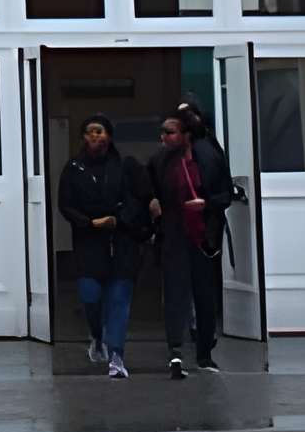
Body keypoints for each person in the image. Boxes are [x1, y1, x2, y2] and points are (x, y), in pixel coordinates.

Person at [56, 112, 149, 378]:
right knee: (91, 296)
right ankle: (97, 336)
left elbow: (138, 199)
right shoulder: (74, 168)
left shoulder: (124, 166)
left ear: (109, 136)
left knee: (119, 299)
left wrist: (119, 220)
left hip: (122, 240)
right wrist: (88, 223)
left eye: (100, 131)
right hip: (89, 242)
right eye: (90, 132)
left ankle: (117, 355)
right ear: (83, 137)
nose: (96, 136)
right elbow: (65, 204)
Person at [149, 107, 236, 377]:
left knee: (205, 295)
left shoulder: (208, 156)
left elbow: (225, 194)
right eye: (163, 132)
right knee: (175, 294)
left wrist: (206, 204)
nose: (164, 137)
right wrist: (152, 202)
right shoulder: (160, 160)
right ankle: (175, 351)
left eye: (170, 132)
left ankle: (204, 353)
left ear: (186, 134)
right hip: (174, 234)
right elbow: (147, 187)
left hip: (203, 235)